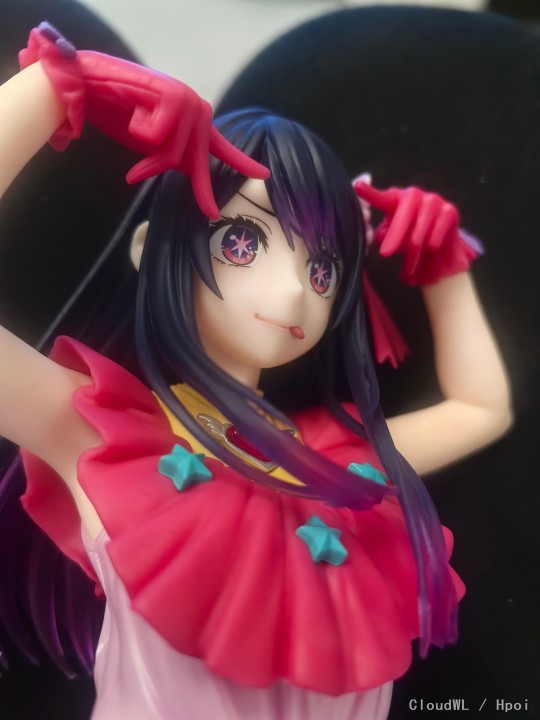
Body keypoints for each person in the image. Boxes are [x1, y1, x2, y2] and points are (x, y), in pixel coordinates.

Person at [0, 23, 512, 720]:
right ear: (153, 248)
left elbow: (483, 409)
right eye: (242, 240)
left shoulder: (338, 462)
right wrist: (58, 85)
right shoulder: (103, 432)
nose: (295, 290)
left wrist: (446, 266)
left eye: (323, 267)